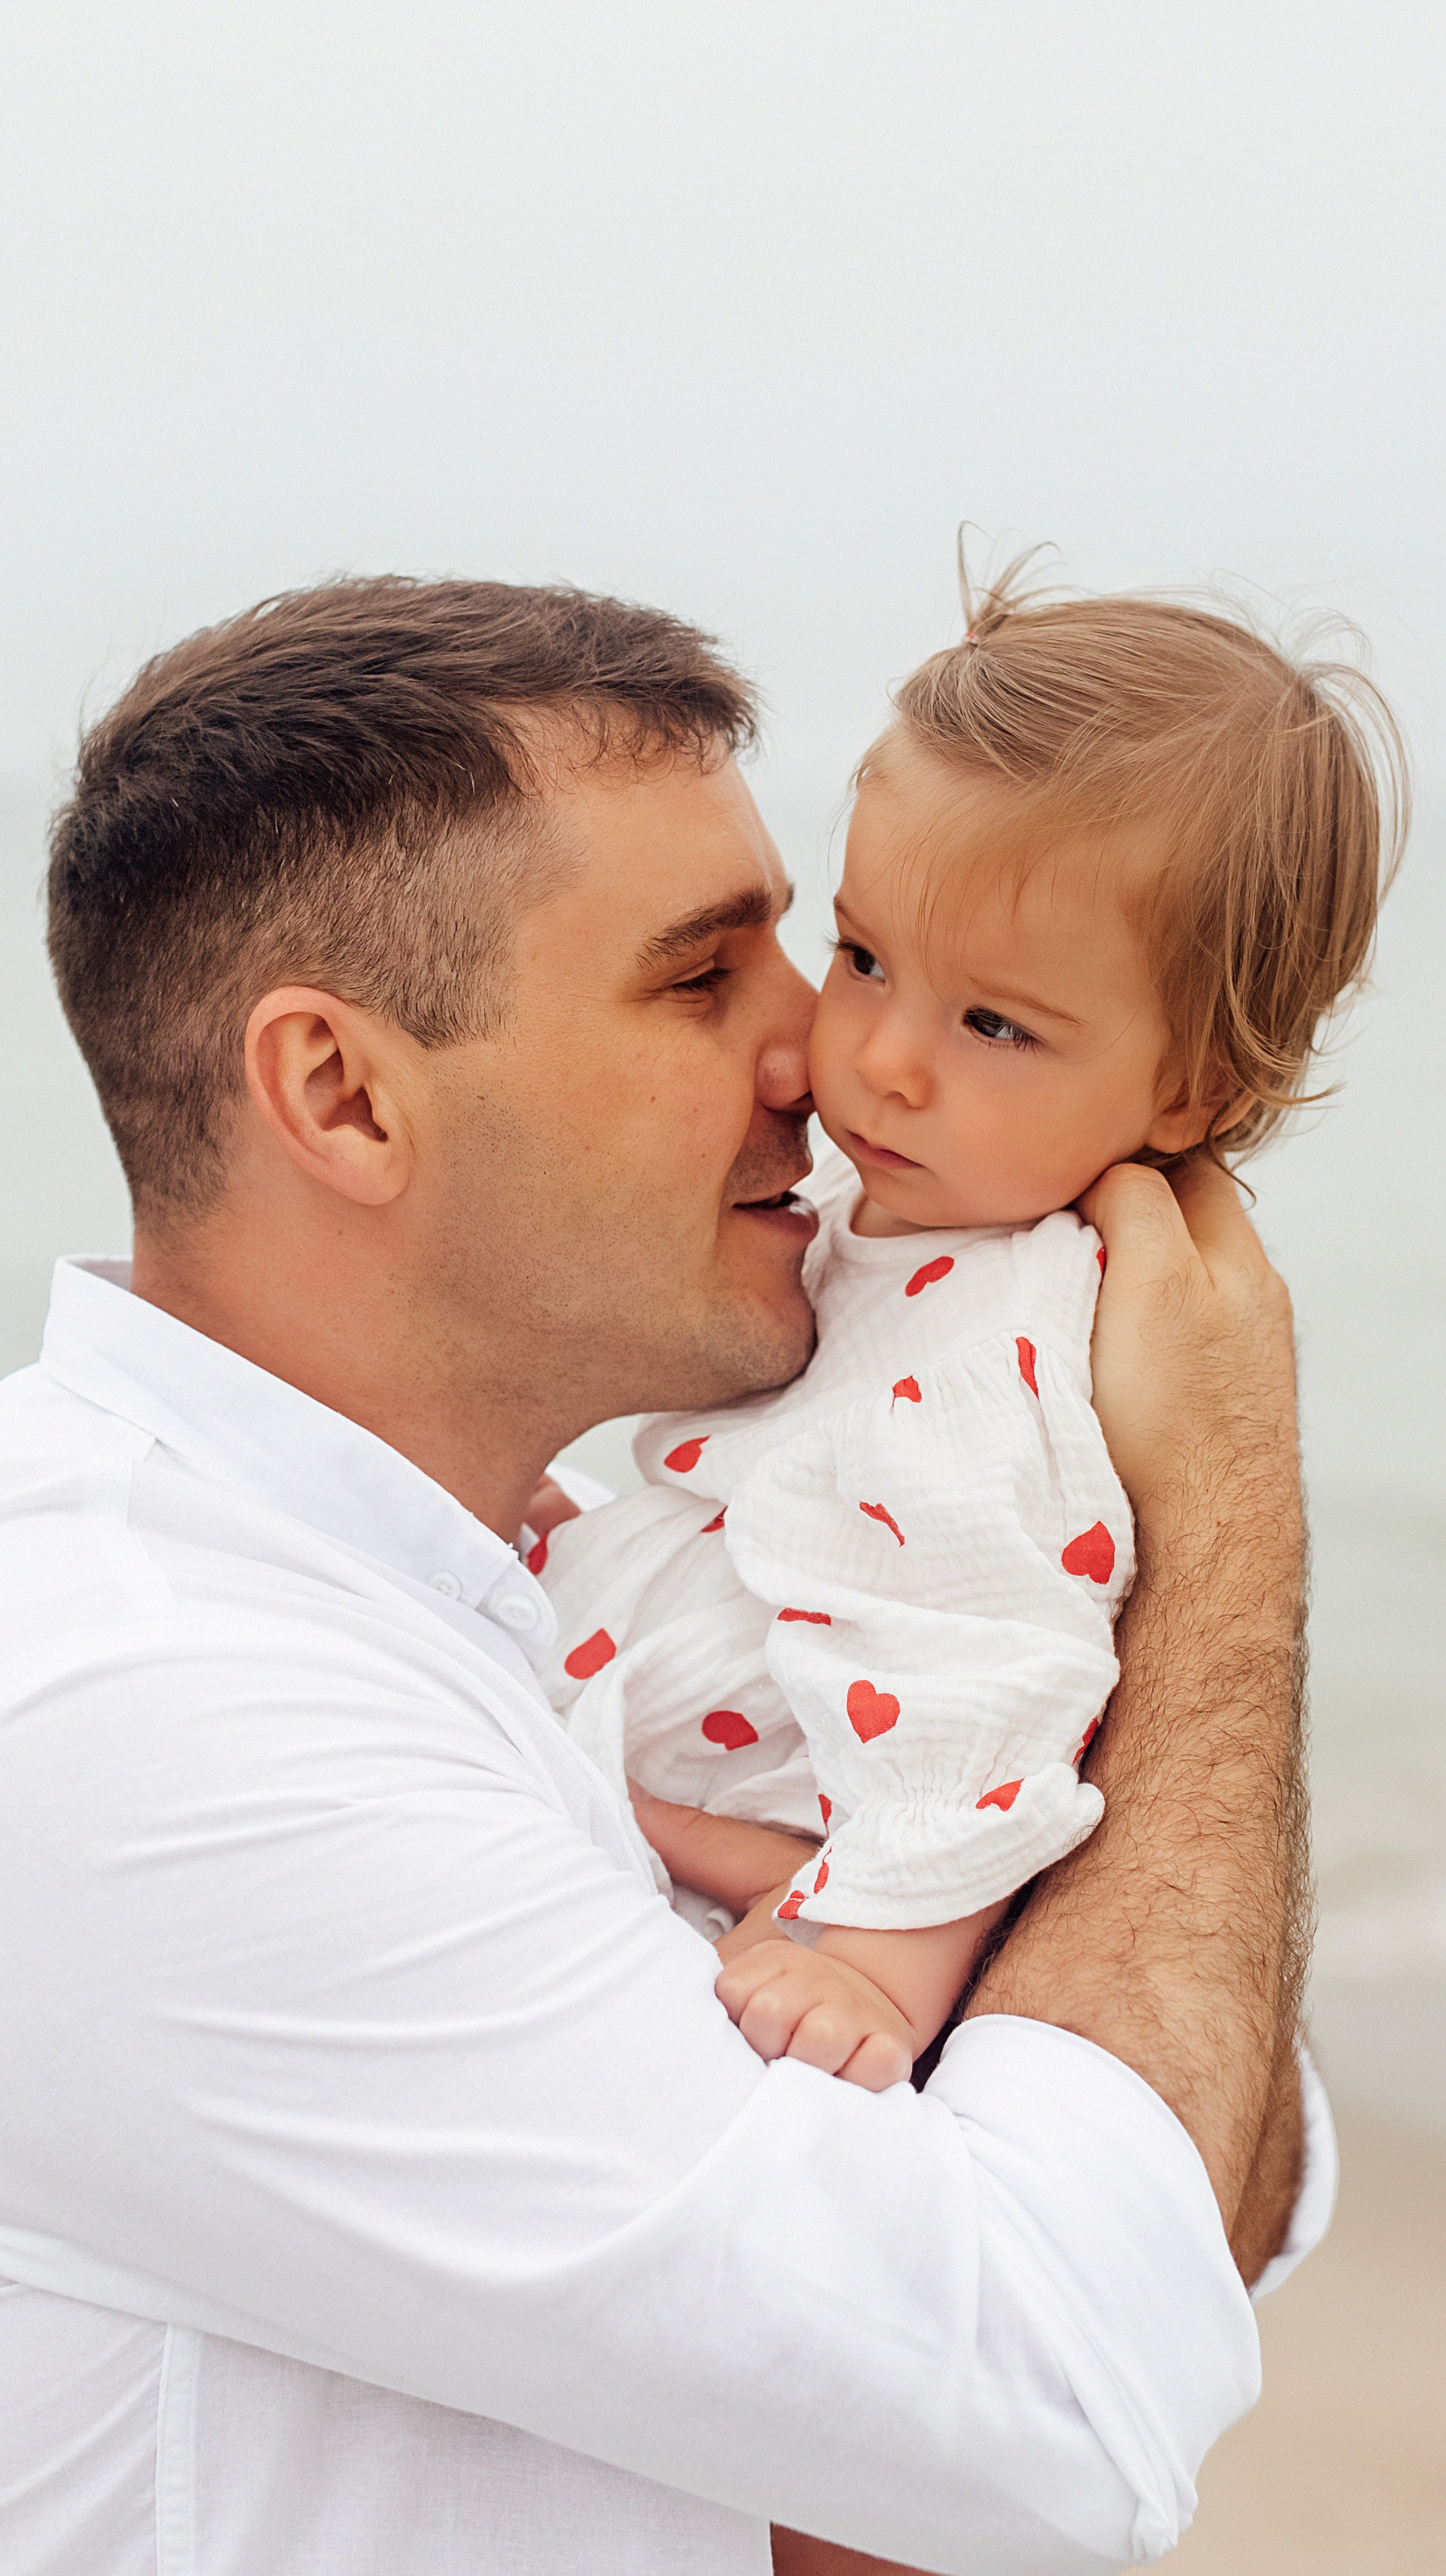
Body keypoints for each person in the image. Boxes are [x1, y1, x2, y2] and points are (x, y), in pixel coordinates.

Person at [0, 577, 1330, 2575]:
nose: (818, 1048)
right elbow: (1081, 2403)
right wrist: (1224, 1510)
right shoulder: (138, 1725)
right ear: (344, 1094)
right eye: (703, 977)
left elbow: (1175, 2203)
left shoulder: (490, 1579)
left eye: (804, 940)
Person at [536, 564, 1403, 2099]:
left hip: (803, 1872)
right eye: (864, 957)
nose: (879, 1057)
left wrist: (875, 1962)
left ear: (1190, 1091)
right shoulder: (881, 1207)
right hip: (669, 1758)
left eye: (992, 1023)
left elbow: (992, 1671)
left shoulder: (1012, 1338)